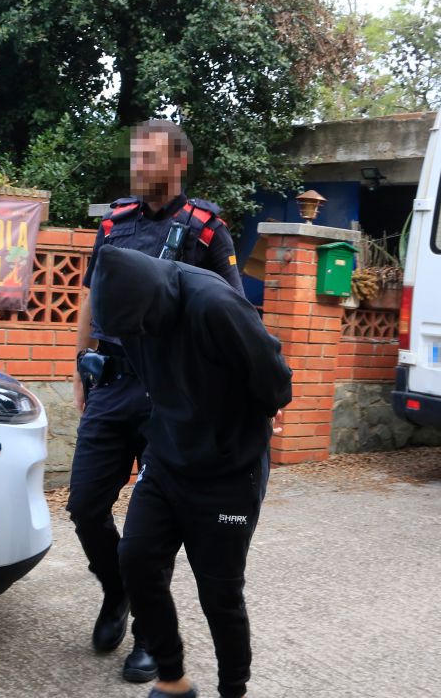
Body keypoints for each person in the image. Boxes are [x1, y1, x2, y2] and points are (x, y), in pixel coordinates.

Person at [67, 119, 244, 682]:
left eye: (150, 157)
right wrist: (80, 365)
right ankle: (117, 590)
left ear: (178, 163)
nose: (138, 166)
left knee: (153, 526)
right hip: (112, 385)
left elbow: (233, 316)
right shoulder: (115, 223)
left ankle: (149, 633)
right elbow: (92, 297)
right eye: (135, 156)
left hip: (170, 396)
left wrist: (238, 394)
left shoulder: (207, 231)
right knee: (84, 506)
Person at [91, 244, 292, 698]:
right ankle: (173, 679)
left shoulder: (214, 303)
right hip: (167, 458)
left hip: (229, 470)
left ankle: (232, 690)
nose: (137, 337)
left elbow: (273, 375)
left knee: (220, 593)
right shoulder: (131, 315)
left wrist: (256, 413)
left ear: (154, 303)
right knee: (136, 560)